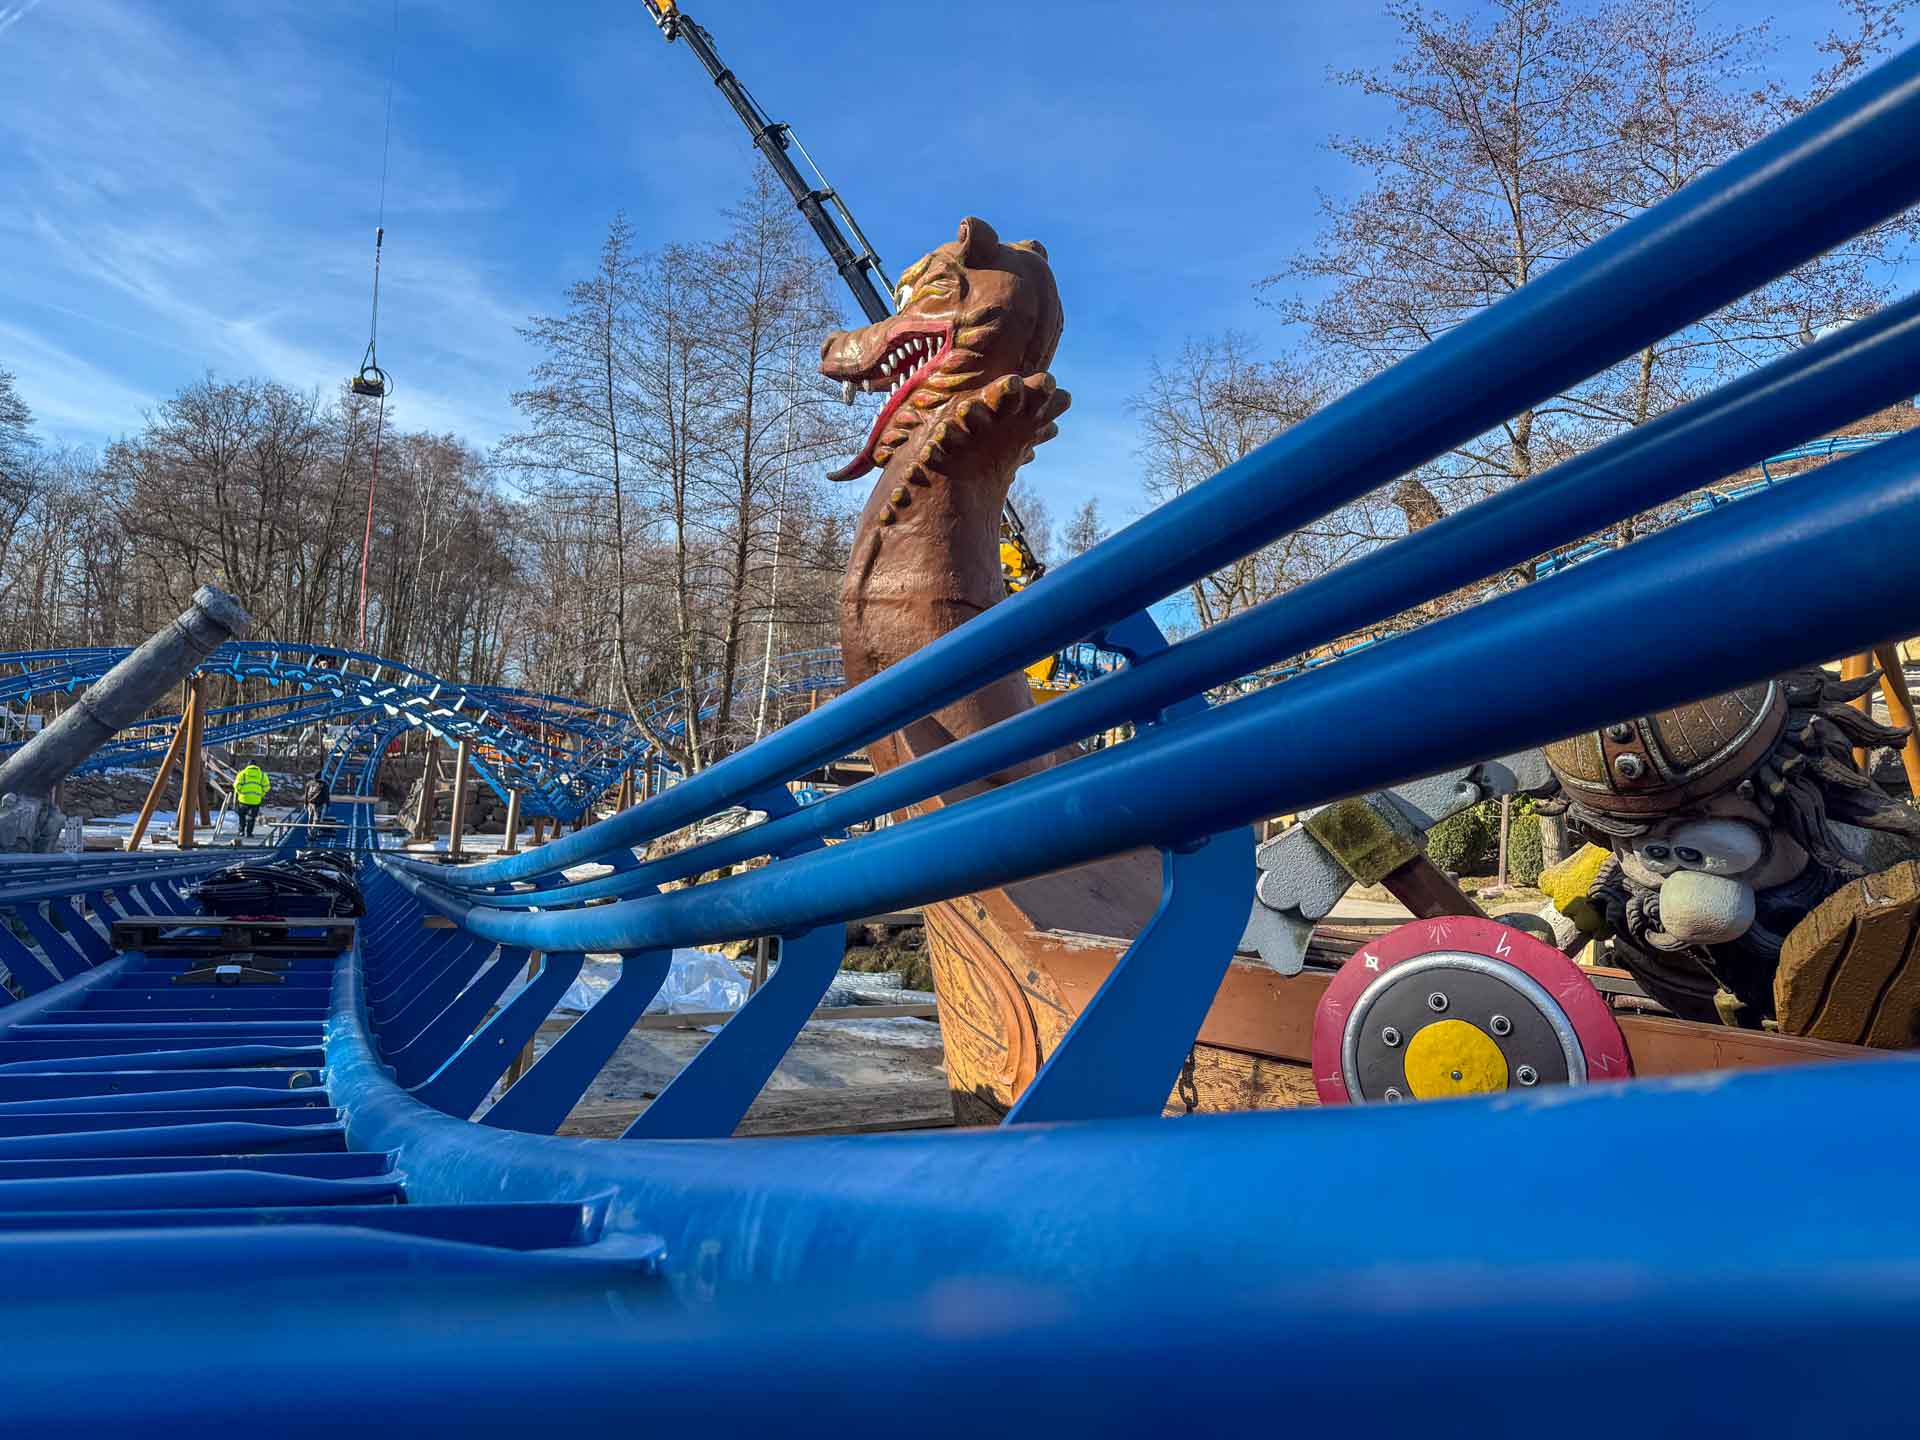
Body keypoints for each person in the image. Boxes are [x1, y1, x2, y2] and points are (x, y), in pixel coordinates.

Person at [233, 761, 270, 841]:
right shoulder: (262, 775)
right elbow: (267, 787)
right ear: (256, 766)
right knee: (252, 817)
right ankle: (249, 833)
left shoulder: (242, 773)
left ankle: (241, 831)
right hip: (255, 800)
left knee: (242, 816)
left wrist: (240, 792)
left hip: (243, 799)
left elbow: (236, 785)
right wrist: (261, 794)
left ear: (248, 765)